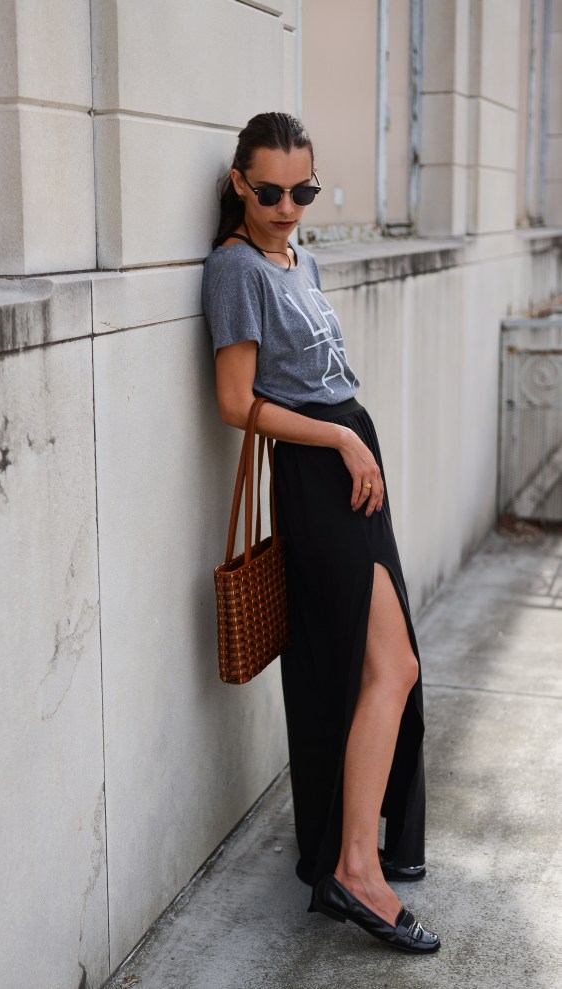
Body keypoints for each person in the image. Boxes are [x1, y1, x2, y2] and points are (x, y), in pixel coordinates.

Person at [202, 112, 440, 955]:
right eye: (270, 191)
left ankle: (357, 853)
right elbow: (238, 404)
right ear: (239, 183)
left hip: (350, 461)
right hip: (316, 471)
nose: (288, 206)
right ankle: (354, 868)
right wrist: (338, 438)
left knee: (384, 660)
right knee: (387, 663)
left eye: (302, 189)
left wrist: (355, 438)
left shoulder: (300, 255)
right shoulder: (234, 268)